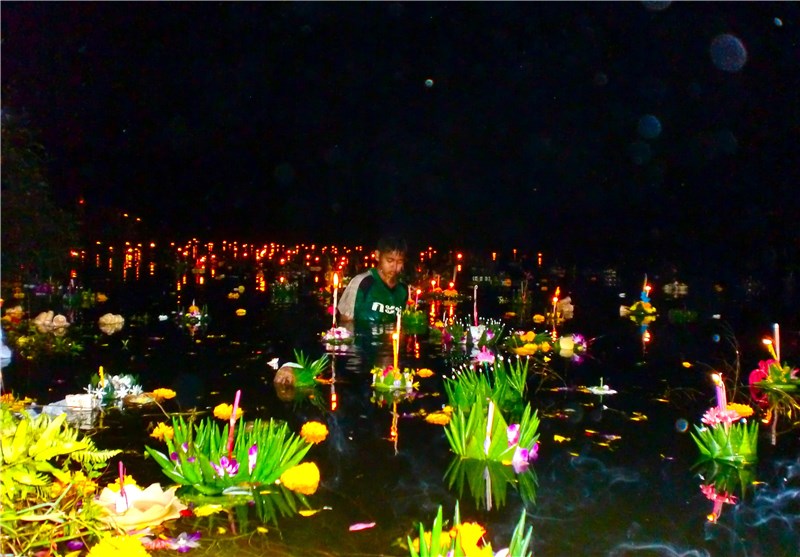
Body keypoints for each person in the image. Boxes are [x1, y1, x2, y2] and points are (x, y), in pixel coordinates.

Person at [338, 236, 408, 324]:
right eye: (390, 260)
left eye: (400, 262)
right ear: (377, 256)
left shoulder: (403, 289)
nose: (395, 266)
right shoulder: (362, 283)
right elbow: (346, 321)